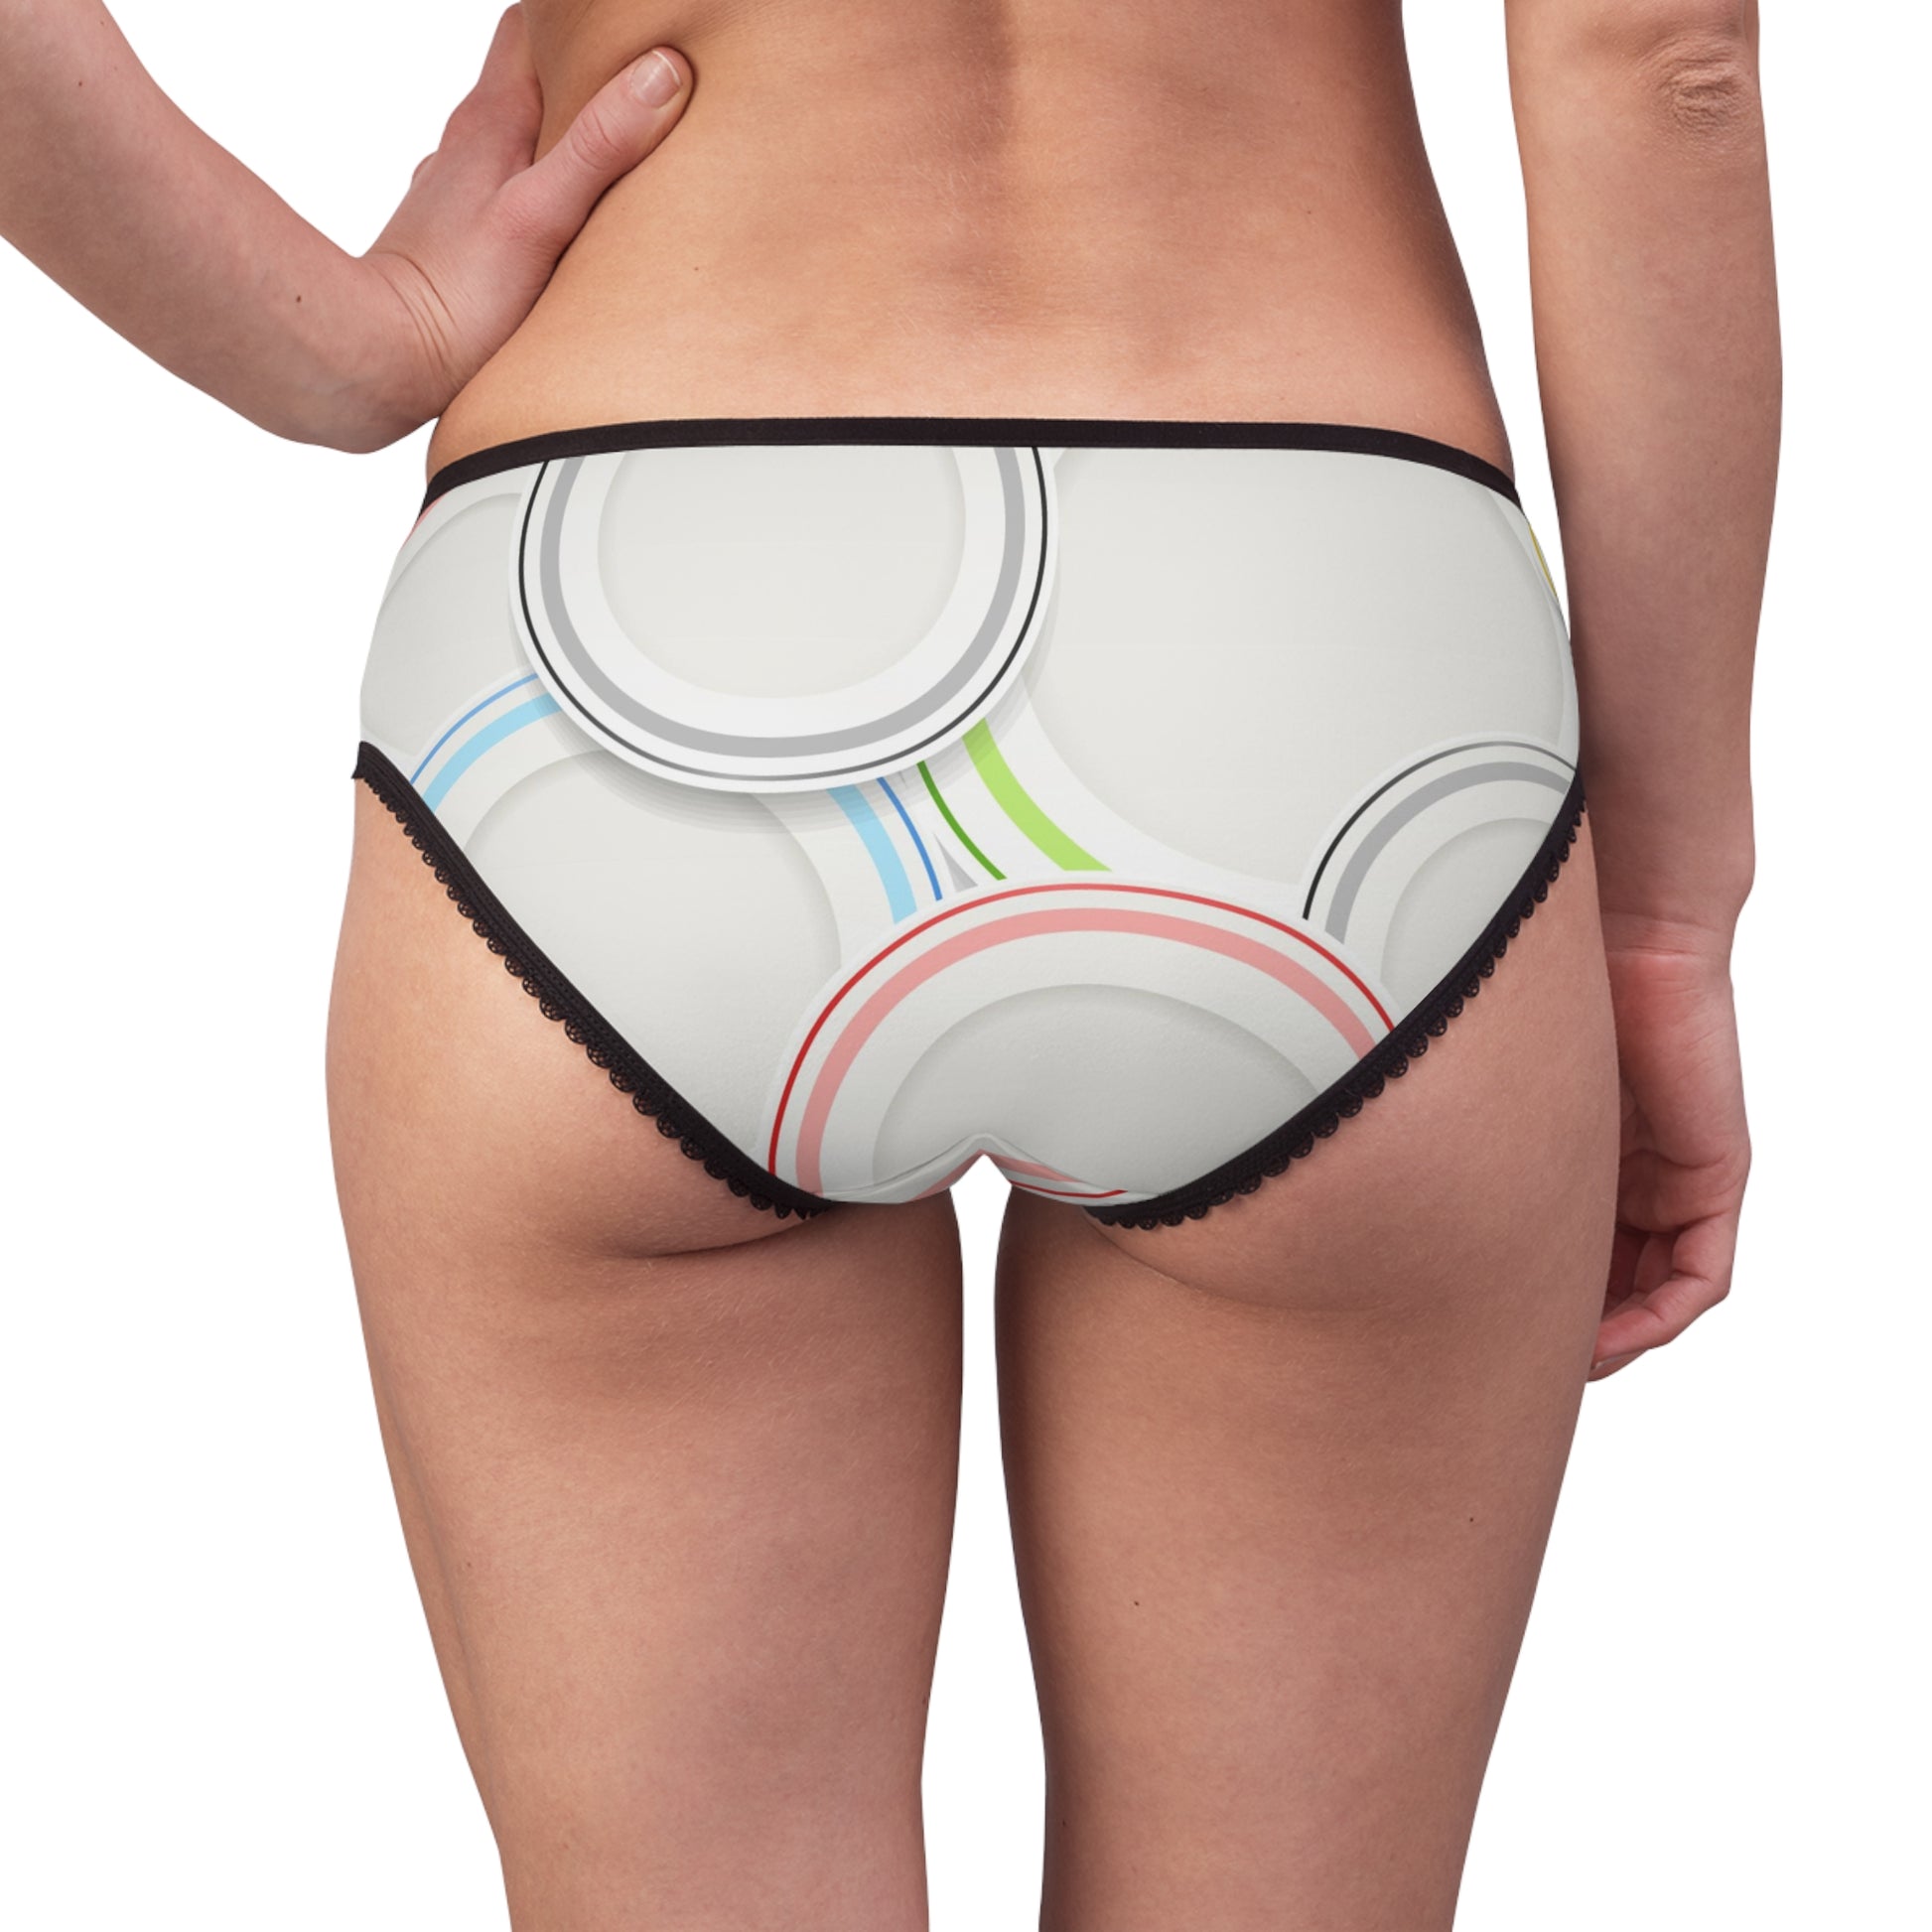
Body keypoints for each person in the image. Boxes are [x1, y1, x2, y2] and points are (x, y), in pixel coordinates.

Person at [1, 1, 1777, 1924]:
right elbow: (1648, 55)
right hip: (1321, 635)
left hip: (626, 631)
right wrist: (1662, 908)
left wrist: (349, 346)